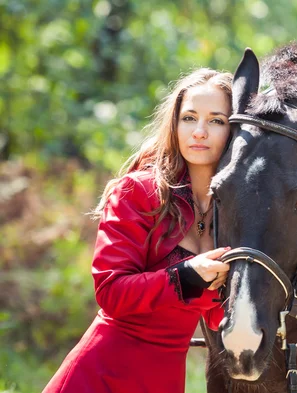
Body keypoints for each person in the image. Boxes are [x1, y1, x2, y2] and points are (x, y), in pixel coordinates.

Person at [43, 68, 234, 393]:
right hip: (100, 374)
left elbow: (216, 318)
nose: (199, 131)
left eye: (216, 120)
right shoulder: (139, 192)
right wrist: (185, 275)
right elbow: (110, 292)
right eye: (189, 118)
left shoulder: (232, 212)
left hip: (164, 380)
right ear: (174, 125)